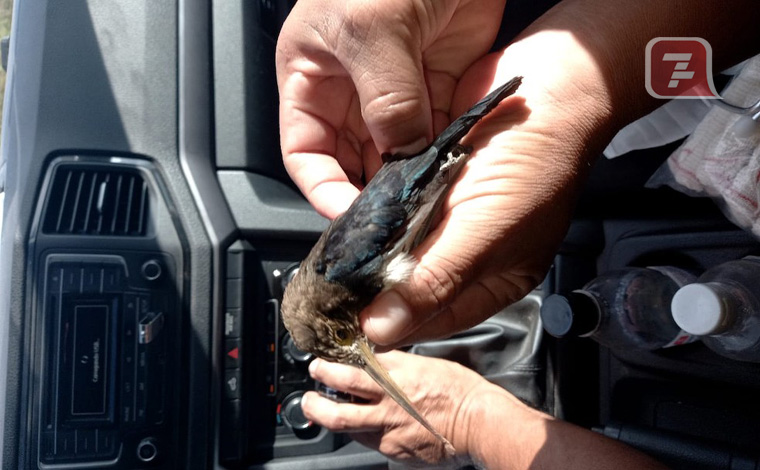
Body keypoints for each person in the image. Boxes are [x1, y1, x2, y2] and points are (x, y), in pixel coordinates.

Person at [275, 0, 760, 467]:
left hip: (430, 160)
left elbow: (409, 180)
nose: (362, 341)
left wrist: (469, 422)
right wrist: (566, 98)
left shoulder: (346, 263)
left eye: (347, 335)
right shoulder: (345, 275)